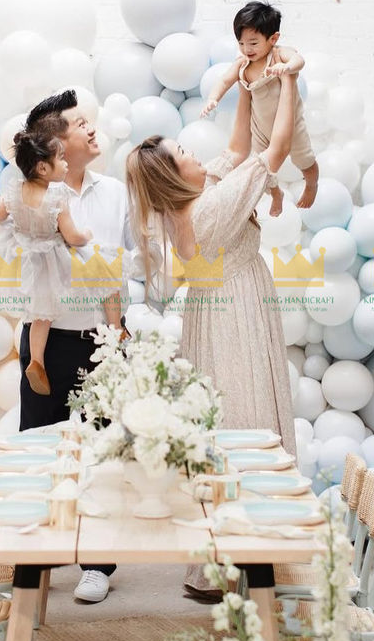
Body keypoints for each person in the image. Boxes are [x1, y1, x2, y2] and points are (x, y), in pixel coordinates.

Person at [126, 74, 299, 599]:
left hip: (215, 310)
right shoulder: (208, 209)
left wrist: (244, 84)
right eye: (184, 153)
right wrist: (289, 80)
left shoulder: (188, 204)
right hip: (235, 310)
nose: (195, 153)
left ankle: (221, 559)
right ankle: (248, 551)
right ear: (174, 175)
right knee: (246, 414)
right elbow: (274, 149)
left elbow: (237, 148)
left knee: (225, 417)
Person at [15, 89, 136, 604]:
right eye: (79, 122)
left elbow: (131, 257)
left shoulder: (115, 192)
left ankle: (98, 564)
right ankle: (34, 561)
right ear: (54, 141)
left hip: (102, 338)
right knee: (37, 451)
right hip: (46, 340)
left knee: (105, 454)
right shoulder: (32, 192)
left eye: (90, 121)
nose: (90, 128)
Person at [0, 118, 116, 396]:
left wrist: (17, 226)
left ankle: (36, 360)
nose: (66, 164)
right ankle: (115, 327)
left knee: (39, 316)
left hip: (26, 260)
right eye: (61, 159)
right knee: (103, 273)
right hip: (51, 260)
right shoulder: (56, 197)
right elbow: (71, 236)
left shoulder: (15, 191)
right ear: (43, 168)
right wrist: (86, 235)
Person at [201, 0, 318, 215]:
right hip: (261, 127)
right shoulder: (242, 63)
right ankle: (276, 194)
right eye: (241, 43)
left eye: (253, 43)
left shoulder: (279, 55)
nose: (247, 49)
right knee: (261, 168)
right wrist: (213, 98)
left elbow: (299, 60)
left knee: (306, 161)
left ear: (273, 39)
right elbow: (225, 80)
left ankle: (311, 184)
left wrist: (287, 67)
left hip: (291, 126)